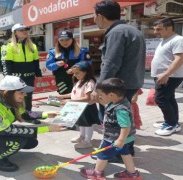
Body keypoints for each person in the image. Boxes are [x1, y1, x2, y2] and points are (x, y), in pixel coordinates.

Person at [0, 75, 63, 172]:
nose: (25, 95)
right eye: (21, 92)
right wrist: (47, 128)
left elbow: (24, 114)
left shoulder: (8, 101)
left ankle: (1, 148)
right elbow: (8, 131)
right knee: (18, 141)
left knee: (31, 140)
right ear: (9, 93)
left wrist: (46, 114)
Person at [92, 0, 146, 157]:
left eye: (94, 16)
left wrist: (99, 88)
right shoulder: (131, 30)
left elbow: (110, 64)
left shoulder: (116, 32)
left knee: (113, 122)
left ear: (101, 16)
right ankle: (127, 151)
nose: (94, 19)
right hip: (131, 83)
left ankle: (113, 154)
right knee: (124, 119)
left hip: (116, 87)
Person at [80, 78, 141, 179]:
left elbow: (125, 126)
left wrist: (120, 140)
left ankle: (97, 173)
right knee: (125, 153)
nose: (100, 97)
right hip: (125, 138)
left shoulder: (120, 110)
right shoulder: (119, 101)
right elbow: (107, 104)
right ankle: (132, 173)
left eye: (101, 95)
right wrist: (98, 100)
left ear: (111, 95)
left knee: (102, 154)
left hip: (114, 138)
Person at [151, 18, 183, 136]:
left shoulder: (179, 40)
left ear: (169, 28)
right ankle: (174, 123)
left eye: (159, 29)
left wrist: (166, 74)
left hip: (169, 76)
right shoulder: (166, 40)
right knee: (169, 98)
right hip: (164, 76)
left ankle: (170, 124)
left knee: (160, 98)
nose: (155, 32)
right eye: (155, 29)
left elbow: (180, 58)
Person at [1, 23, 42, 116]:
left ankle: (27, 113)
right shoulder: (8, 46)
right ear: (15, 33)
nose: (25, 32)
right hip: (16, 78)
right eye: (21, 30)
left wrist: (38, 74)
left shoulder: (33, 46)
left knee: (28, 96)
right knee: (16, 97)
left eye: (26, 30)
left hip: (29, 77)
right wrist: (8, 78)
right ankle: (15, 114)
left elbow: (36, 62)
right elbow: (6, 64)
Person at [57, 61, 100, 149]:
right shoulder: (79, 81)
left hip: (87, 107)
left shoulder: (89, 83)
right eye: (74, 73)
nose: (75, 75)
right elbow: (74, 93)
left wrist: (70, 101)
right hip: (78, 106)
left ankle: (87, 141)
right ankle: (82, 136)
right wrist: (61, 96)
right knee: (81, 123)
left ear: (85, 72)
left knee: (88, 124)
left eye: (77, 73)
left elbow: (87, 98)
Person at [46, 30, 91, 95]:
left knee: (79, 98)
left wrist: (75, 68)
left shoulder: (82, 50)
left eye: (67, 39)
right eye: (61, 40)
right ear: (58, 40)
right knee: (64, 99)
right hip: (61, 81)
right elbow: (49, 65)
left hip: (78, 78)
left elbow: (88, 63)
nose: (64, 42)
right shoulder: (52, 52)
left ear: (72, 39)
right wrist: (56, 64)